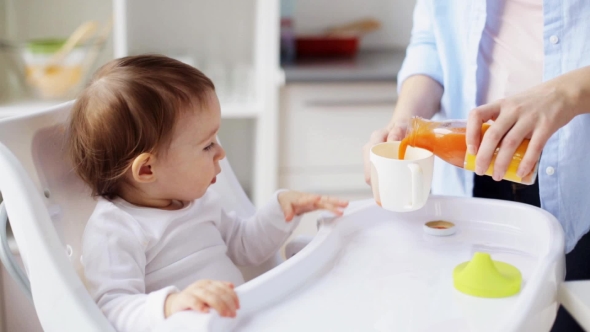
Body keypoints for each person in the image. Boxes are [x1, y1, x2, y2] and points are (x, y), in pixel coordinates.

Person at [67, 55, 349, 332]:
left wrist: (282, 210)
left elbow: (245, 245)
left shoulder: (198, 202)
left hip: (246, 318)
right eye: (207, 146)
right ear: (146, 170)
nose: (221, 153)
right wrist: (171, 304)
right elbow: (113, 309)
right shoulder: (114, 228)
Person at [363, 1, 590, 330]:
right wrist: (403, 124)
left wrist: (567, 93)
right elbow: (431, 41)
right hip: (471, 184)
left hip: (580, 191)